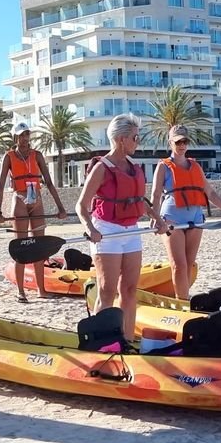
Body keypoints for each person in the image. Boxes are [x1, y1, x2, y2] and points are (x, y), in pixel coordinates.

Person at [77, 114, 150, 345]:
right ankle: (103, 341)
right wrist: (90, 228)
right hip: (106, 231)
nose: (138, 142)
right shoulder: (101, 168)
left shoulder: (133, 167)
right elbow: (81, 205)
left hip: (131, 231)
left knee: (129, 290)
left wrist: (158, 219)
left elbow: (140, 200)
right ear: (121, 140)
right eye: (135, 138)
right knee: (107, 291)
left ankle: (127, 340)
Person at [150, 125, 221, 299]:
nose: (182, 145)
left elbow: (210, 192)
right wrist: (155, 218)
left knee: (189, 263)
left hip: (195, 218)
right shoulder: (163, 167)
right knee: (179, 265)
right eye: (178, 142)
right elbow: (155, 194)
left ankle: (184, 297)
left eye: (185, 141)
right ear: (170, 143)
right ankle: (182, 302)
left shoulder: (195, 166)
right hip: (172, 219)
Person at [0, 122, 67, 301]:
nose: (25, 138)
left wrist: (61, 207)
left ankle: (41, 290)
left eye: (27, 134)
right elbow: (1, 185)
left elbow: (49, 182)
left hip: (37, 200)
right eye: (21, 135)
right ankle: (21, 291)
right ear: (15, 137)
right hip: (19, 199)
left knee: (39, 246)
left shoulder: (37, 155)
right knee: (21, 246)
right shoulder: (9, 157)